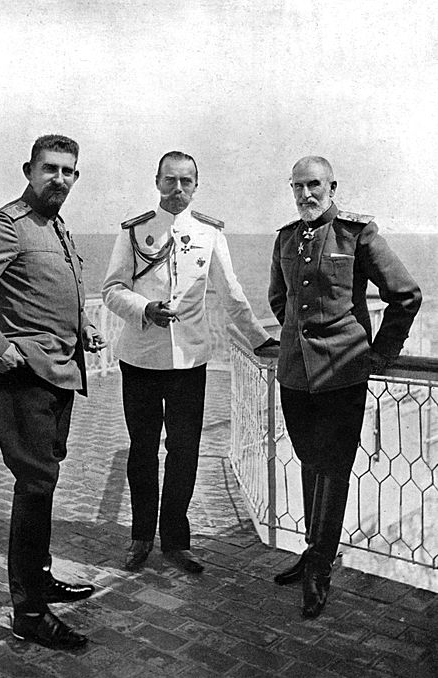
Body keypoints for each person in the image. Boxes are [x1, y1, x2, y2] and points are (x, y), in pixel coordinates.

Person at [0, 135, 107, 649]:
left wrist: (82, 327)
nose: (59, 178)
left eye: (68, 171)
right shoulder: (6, 225)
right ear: (28, 170)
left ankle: (40, 577)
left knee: (42, 482)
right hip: (24, 378)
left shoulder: (54, 226)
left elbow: (45, 292)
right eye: (50, 168)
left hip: (58, 373)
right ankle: (28, 611)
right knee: (35, 484)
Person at [102, 150, 277, 574]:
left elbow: (231, 294)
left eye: (186, 181)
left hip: (189, 363)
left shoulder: (209, 233)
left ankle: (176, 541)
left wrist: (260, 341)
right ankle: (141, 536)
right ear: (157, 182)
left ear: (196, 186)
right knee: (142, 451)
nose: (177, 189)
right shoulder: (134, 231)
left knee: (184, 452)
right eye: (170, 180)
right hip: (141, 359)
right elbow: (111, 289)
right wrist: (145, 309)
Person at [267, 155, 422, 618]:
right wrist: (301, 340)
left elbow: (405, 294)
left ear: (332, 187)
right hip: (295, 375)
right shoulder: (286, 238)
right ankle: (313, 549)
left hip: (342, 376)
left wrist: (379, 354)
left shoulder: (358, 234)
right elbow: (280, 299)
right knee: (309, 461)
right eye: (298, 186)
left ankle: (319, 568)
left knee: (333, 469)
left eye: (314, 185)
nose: (306, 194)